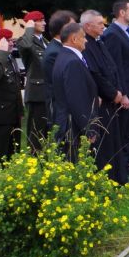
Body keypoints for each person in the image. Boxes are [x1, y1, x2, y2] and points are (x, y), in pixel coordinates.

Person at [81, 10, 128, 184]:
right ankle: (108, 179)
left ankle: (118, 176)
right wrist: (112, 93)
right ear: (88, 26)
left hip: (113, 99)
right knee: (105, 145)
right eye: (99, 23)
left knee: (115, 141)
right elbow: (95, 74)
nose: (103, 26)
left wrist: (119, 90)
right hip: (103, 101)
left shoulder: (99, 42)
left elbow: (113, 68)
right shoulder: (87, 45)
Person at [101, 0, 129, 171]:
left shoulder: (126, 32)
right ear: (122, 13)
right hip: (124, 91)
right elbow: (115, 67)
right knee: (123, 129)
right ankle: (123, 165)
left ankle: (128, 161)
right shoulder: (113, 34)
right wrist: (122, 93)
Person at [52, 23, 99, 162]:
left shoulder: (64, 56)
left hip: (67, 121)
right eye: (83, 37)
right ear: (74, 39)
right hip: (73, 126)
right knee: (75, 164)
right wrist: (89, 129)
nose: (86, 40)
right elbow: (77, 99)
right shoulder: (72, 61)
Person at [0, 29, 24, 164]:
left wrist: (20, 111)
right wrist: (1, 53)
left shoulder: (10, 58)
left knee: (13, 154)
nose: (11, 43)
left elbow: (15, 87)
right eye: (7, 41)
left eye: (11, 40)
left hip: (13, 113)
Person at [17, 10, 48, 152]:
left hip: (48, 91)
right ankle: (35, 159)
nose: (44, 23)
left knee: (47, 132)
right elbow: (27, 46)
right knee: (36, 132)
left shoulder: (45, 42)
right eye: (40, 20)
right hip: (36, 93)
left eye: (44, 20)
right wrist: (28, 29)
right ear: (31, 23)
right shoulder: (24, 41)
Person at [42, 10, 77, 131]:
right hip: (61, 110)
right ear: (63, 29)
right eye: (72, 26)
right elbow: (60, 84)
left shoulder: (62, 48)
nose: (76, 29)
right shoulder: (54, 52)